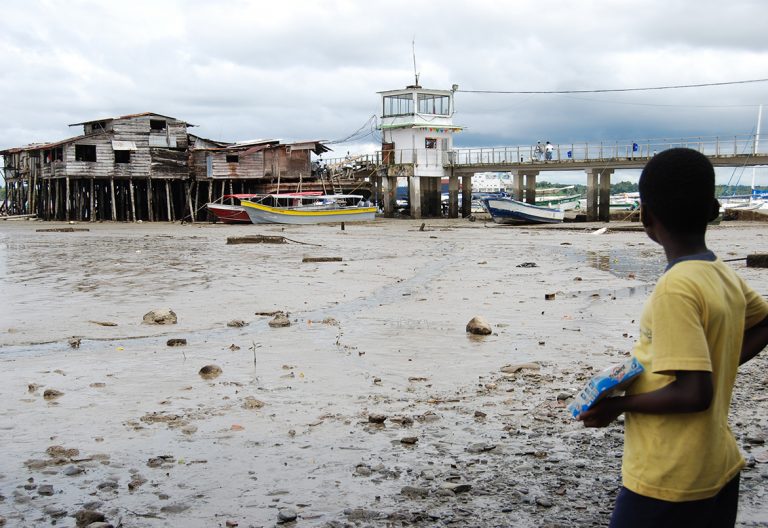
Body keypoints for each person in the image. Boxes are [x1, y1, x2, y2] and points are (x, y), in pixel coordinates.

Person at [578, 148, 768, 528]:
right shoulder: (719, 273)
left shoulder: (674, 289)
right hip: (718, 465)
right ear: (713, 208)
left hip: (667, 476)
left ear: (646, 216)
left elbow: (694, 394)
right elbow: (764, 322)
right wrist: (718, 362)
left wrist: (618, 406)